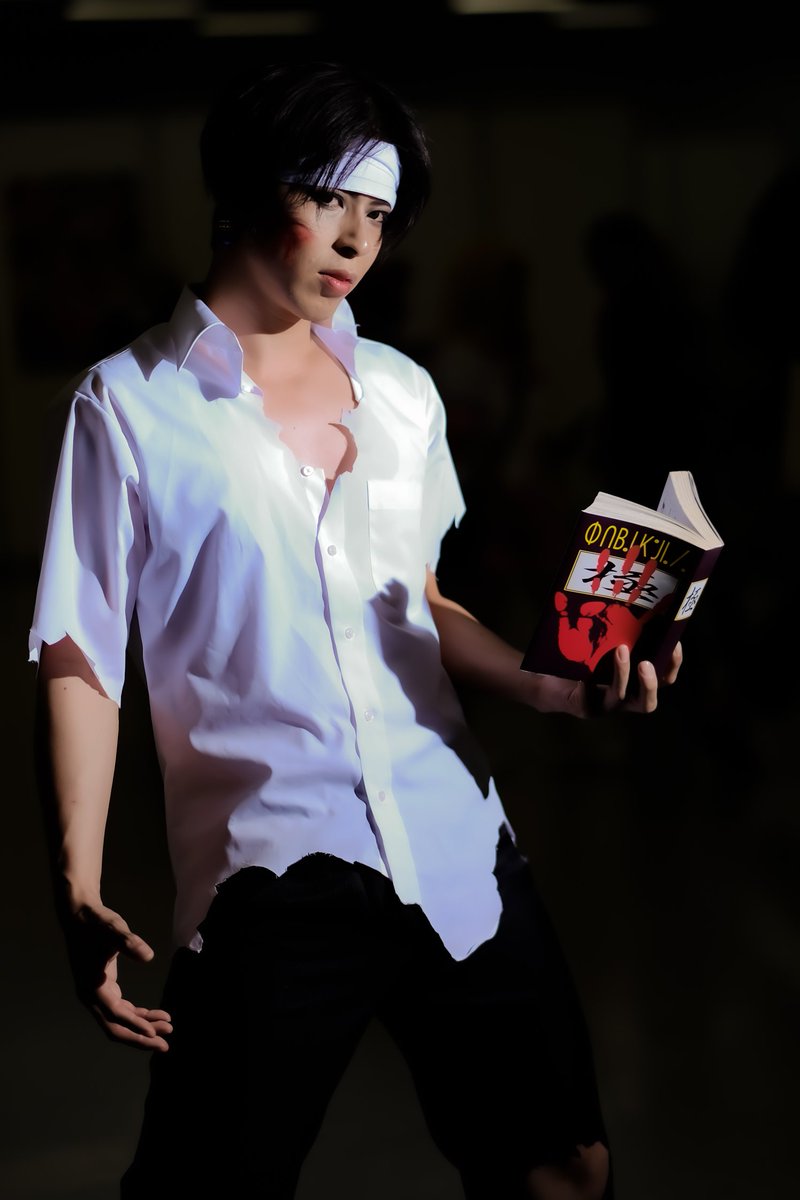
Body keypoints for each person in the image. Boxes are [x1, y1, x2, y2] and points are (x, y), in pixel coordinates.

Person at [29, 61, 682, 1200]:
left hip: (453, 839)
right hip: (273, 865)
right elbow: (79, 656)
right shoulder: (126, 404)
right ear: (247, 186)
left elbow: (416, 603)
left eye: (378, 214)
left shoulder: (402, 392)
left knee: (564, 1167)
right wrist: (74, 879)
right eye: (330, 198)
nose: (356, 240)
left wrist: (553, 682)